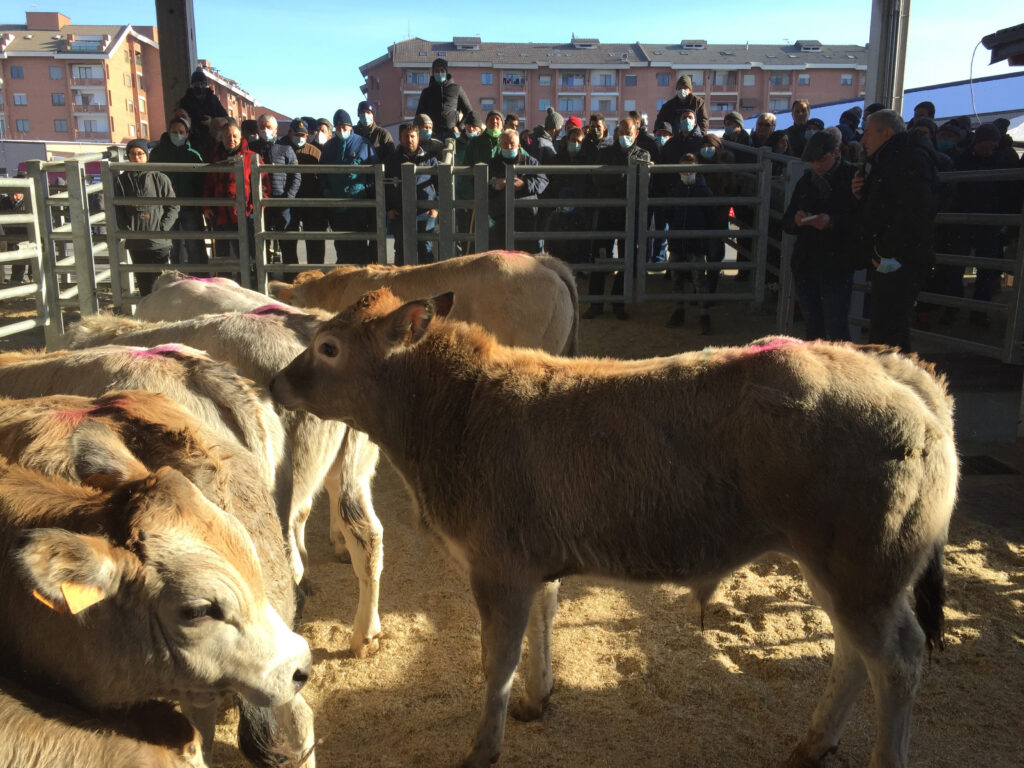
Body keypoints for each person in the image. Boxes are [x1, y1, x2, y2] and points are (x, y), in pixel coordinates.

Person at [852, 109, 939, 351]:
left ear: (887, 133)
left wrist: (884, 253)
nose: (863, 140)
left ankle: (897, 383)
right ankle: (893, 380)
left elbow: (912, 213)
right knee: (887, 327)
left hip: (901, 260)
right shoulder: (888, 159)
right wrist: (860, 193)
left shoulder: (909, 159)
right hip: (892, 258)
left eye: (868, 133)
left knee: (890, 330)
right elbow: (885, 206)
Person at [781, 131, 859, 341]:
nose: (816, 165)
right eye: (812, 161)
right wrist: (797, 221)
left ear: (836, 153)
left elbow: (863, 220)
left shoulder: (854, 178)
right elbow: (786, 220)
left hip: (836, 263)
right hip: (807, 261)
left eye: (821, 159)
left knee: (836, 326)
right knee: (814, 326)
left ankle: (840, 371)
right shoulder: (806, 181)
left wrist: (832, 222)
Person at [946, 123, 1020, 327]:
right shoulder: (970, 158)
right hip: (969, 220)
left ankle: (978, 311)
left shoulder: (1002, 158)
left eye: (991, 144)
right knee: (958, 266)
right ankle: (953, 308)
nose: (988, 148)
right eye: (984, 144)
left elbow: (1012, 193)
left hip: (989, 222)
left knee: (985, 269)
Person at [584, 116, 651, 320]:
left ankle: (618, 303)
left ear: (636, 133)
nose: (624, 136)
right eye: (621, 133)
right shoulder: (604, 153)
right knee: (599, 258)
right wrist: (623, 182)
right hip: (606, 212)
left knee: (626, 258)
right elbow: (597, 180)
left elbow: (642, 183)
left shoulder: (643, 155)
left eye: (628, 133)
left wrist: (615, 182)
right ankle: (595, 303)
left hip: (629, 215)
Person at [115, 139, 179, 296]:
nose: (137, 158)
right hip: (136, 241)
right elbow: (117, 208)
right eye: (133, 154)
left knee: (162, 282)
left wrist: (163, 228)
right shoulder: (121, 180)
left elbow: (173, 206)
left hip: (159, 241)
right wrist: (126, 228)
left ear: (146, 155)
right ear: (128, 156)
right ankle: (146, 315)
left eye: (140, 154)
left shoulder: (160, 178)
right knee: (143, 281)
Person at [319, 108, 379, 265]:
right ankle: (344, 281)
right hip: (336, 205)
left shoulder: (363, 144)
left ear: (350, 126)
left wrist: (365, 190)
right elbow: (322, 173)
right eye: (338, 128)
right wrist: (327, 191)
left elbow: (376, 172)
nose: (341, 130)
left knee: (359, 245)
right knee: (341, 245)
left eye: (344, 127)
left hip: (358, 205)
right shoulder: (329, 147)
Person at [203, 123, 264, 273]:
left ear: (241, 137)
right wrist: (207, 207)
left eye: (235, 136)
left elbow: (263, 187)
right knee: (223, 257)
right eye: (227, 136)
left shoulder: (252, 158)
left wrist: (252, 209)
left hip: (244, 216)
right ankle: (225, 287)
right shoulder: (215, 159)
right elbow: (208, 185)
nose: (231, 139)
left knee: (248, 254)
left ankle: (252, 285)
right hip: (220, 216)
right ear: (221, 138)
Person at [664, 153, 715, 333]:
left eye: (690, 168)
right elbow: (668, 213)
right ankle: (679, 309)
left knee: (699, 278)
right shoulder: (675, 190)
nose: (687, 172)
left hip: (696, 243)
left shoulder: (704, 191)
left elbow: (711, 216)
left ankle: (704, 313)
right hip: (677, 242)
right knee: (676, 277)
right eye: (684, 168)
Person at [148, 115, 206, 266]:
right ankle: (173, 280)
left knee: (194, 245)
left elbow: (201, 181)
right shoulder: (157, 153)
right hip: (166, 207)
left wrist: (200, 205)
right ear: (168, 132)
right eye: (174, 131)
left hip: (189, 206)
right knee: (171, 245)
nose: (177, 134)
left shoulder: (194, 155)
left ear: (187, 134)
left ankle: (198, 278)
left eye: (181, 131)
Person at [249, 113, 300, 266]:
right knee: (262, 245)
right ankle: (265, 280)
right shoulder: (251, 149)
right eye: (262, 127)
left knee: (287, 244)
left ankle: (291, 279)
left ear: (276, 129)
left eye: (268, 127)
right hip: (260, 205)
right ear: (258, 129)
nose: (265, 130)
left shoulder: (286, 148)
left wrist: (288, 198)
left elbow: (296, 175)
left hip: (282, 204)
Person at [385, 123, 439, 265]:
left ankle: (428, 286)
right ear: (400, 139)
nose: (409, 140)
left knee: (425, 249)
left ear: (418, 138)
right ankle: (400, 286)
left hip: (425, 212)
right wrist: (388, 209)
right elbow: (386, 186)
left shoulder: (429, 159)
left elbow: (440, 184)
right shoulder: (392, 160)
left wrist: (436, 209)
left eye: (412, 136)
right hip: (399, 213)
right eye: (406, 136)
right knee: (401, 250)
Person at [486, 129, 548, 252]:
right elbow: (481, 186)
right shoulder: (492, 164)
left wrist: (524, 185)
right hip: (500, 217)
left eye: (512, 144)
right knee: (502, 257)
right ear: (500, 145)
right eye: (505, 144)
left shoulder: (530, 161)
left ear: (519, 146)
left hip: (526, 217)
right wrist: (494, 186)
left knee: (527, 257)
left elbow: (542, 181)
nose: (509, 147)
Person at [280, 118, 326, 277]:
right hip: (288, 202)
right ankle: (291, 277)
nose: (300, 137)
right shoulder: (280, 149)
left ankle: (314, 277)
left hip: (311, 202)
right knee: (288, 242)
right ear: (290, 132)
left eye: (303, 135)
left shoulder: (315, 151)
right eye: (297, 134)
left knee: (315, 241)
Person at [546, 126, 594, 264]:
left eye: (579, 141)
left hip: (579, 209)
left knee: (578, 243)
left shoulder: (586, 161)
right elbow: (549, 182)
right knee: (556, 242)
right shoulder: (556, 160)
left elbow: (590, 184)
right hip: (558, 208)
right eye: (573, 140)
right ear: (567, 140)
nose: (576, 144)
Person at [415, 57, 476, 140]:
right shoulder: (426, 92)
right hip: (432, 135)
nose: (439, 73)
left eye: (442, 70)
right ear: (433, 73)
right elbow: (419, 115)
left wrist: (459, 127)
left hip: (452, 135)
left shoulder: (456, 89)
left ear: (446, 72)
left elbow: (469, 111)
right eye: (436, 71)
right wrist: (423, 130)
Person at [176, 68, 227, 148]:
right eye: (196, 84)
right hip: (192, 139)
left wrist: (212, 122)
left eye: (201, 83)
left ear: (205, 84)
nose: (199, 86)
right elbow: (179, 119)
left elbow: (225, 118)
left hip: (212, 139)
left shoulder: (213, 99)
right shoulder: (185, 101)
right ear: (192, 85)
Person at [0, 176, 30, 283]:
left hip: (25, 235)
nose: (13, 196)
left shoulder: (29, 202)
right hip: (8, 234)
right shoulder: (4, 202)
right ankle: (15, 281)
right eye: (11, 194)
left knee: (21, 259)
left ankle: (18, 281)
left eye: (15, 193)